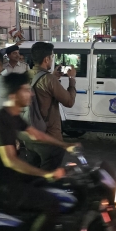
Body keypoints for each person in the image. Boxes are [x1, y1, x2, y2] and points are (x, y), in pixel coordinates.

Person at [0, 72, 71, 231]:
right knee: (51, 203)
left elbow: (36, 134)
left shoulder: (12, 115)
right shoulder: (1, 120)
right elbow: (11, 161)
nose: (30, 94)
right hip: (2, 182)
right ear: (14, 94)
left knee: (51, 188)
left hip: (10, 176)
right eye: (25, 90)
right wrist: (45, 173)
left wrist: (65, 145)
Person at [28, 41, 77, 170]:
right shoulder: (49, 79)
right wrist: (72, 81)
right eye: (52, 57)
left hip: (30, 135)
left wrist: (54, 76)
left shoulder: (26, 75)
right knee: (49, 176)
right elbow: (69, 101)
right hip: (49, 136)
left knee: (33, 174)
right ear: (46, 59)